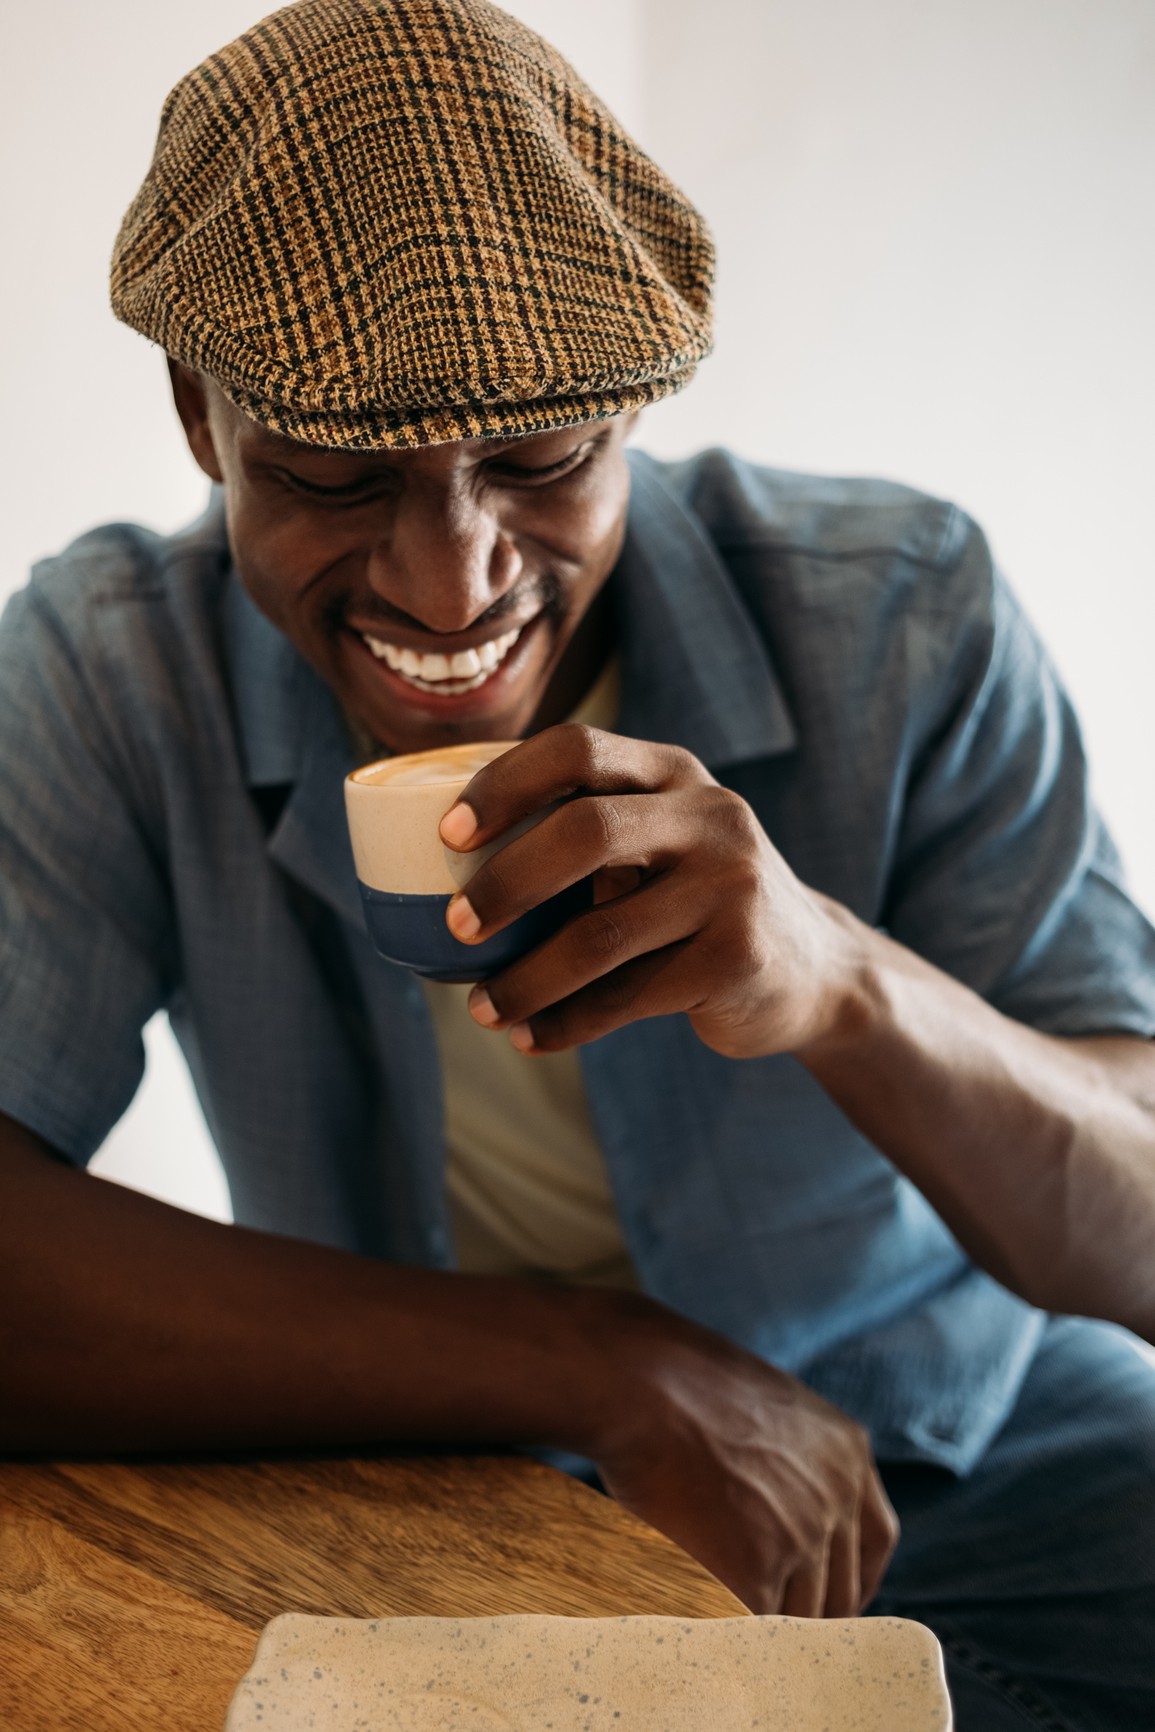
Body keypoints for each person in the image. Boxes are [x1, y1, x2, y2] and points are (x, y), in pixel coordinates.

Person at [1, 1, 1153, 1724]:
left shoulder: (900, 614)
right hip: (441, 1505)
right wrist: (599, 1368)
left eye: (540, 460)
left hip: (991, 1476)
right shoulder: (117, 665)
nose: (454, 586)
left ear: (629, 417)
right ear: (199, 419)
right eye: (333, 474)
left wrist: (838, 981)